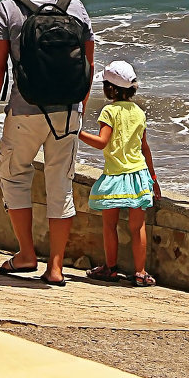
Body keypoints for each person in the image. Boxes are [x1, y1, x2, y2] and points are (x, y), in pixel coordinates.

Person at [0, 0, 94, 287]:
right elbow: (89, 64)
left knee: (14, 175)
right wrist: (80, 109)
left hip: (25, 108)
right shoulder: (75, 7)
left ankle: (26, 254)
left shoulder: (8, 9)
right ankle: (56, 267)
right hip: (67, 112)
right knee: (60, 184)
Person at [78, 60, 161, 286]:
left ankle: (111, 268)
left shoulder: (109, 111)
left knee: (109, 225)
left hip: (115, 176)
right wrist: (153, 179)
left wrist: (77, 133)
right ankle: (141, 273)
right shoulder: (139, 112)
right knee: (137, 227)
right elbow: (145, 148)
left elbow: (102, 142)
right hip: (138, 175)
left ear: (111, 89)